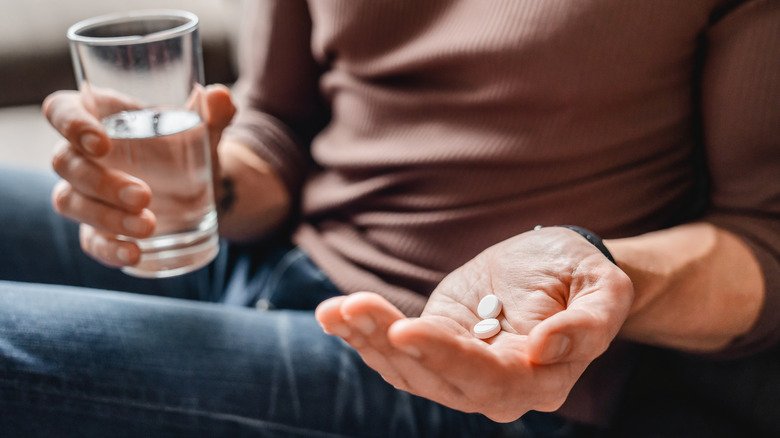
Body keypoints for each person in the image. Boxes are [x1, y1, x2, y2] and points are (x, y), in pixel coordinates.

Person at [1, 0, 778, 436]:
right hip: (269, 259)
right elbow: (277, 129)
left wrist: (598, 271)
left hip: (468, 368)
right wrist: (199, 182)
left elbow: (764, 238)